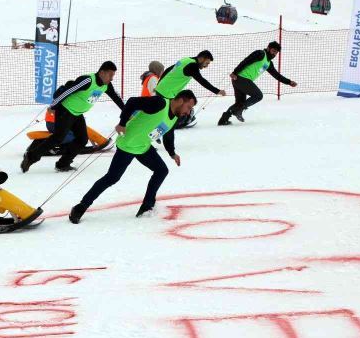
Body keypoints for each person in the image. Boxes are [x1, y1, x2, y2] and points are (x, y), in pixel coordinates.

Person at [69, 89, 198, 223]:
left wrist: (172, 153)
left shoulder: (175, 116)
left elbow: (168, 134)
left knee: (161, 171)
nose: (188, 112)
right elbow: (132, 102)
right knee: (112, 178)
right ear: (181, 100)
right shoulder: (160, 103)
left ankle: (147, 206)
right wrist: (122, 123)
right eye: (188, 107)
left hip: (143, 147)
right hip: (128, 146)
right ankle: (81, 207)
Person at [21, 61, 124, 173]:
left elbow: (116, 98)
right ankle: (30, 157)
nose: (112, 78)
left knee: (82, 139)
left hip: (77, 114)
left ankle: (63, 164)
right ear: (102, 72)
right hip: (65, 110)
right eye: (110, 74)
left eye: (113, 75)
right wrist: (53, 106)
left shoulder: (106, 85)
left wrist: (127, 112)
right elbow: (67, 91)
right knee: (58, 138)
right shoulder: (88, 80)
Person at [218, 41, 297, 126]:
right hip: (241, 78)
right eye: (273, 51)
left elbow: (276, 75)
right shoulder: (260, 53)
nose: (274, 54)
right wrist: (235, 72)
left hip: (240, 80)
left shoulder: (269, 63)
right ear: (268, 48)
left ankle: (223, 120)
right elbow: (246, 61)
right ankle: (239, 110)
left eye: (276, 52)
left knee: (240, 102)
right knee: (258, 95)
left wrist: (289, 82)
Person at [154, 51, 225, 99]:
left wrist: (159, 84)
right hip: (166, 94)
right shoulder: (192, 66)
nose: (206, 66)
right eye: (206, 63)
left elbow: (168, 70)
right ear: (202, 59)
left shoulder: (186, 60)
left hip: (161, 89)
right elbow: (202, 81)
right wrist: (217, 91)